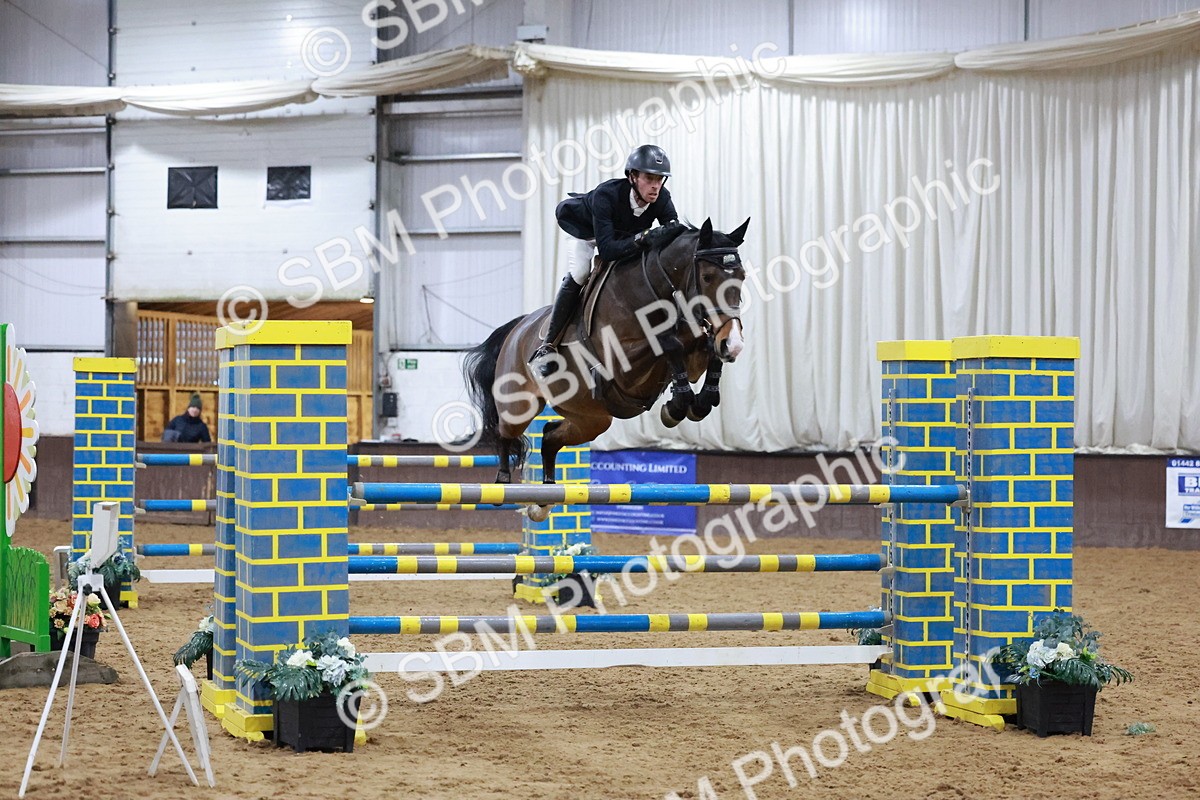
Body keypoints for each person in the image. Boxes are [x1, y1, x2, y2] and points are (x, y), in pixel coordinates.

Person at [529, 143, 681, 377]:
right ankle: (548, 346)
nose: (655, 185)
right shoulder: (606, 195)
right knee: (580, 272)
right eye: (649, 178)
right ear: (632, 176)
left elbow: (673, 228)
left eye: (660, 179)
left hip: (623, 236)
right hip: (588, 233)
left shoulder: (661, 198)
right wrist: (645, 237)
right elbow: (608, 251)